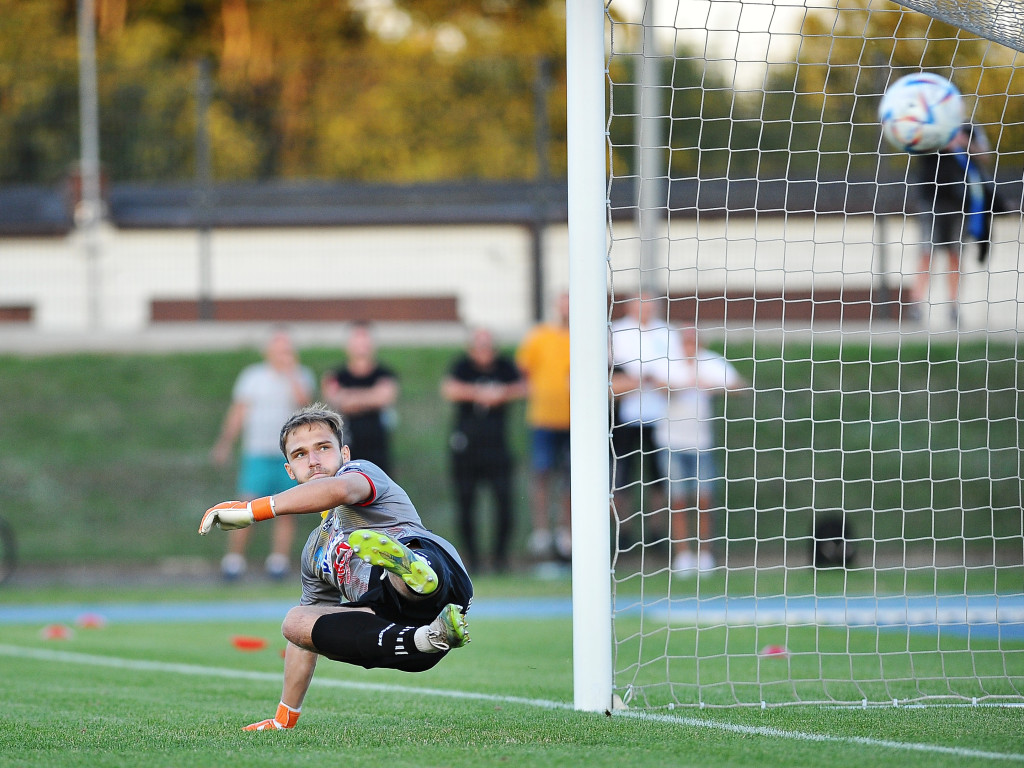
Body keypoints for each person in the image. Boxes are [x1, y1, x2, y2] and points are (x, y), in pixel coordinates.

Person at [198, 404, 473, 731]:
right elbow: (304, 639)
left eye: (323, 448)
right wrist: (285, 718)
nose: (313, 461)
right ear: (290, 472)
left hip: (443, 576)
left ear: (344, 452)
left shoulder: (359, 473)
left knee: (396, 566)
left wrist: (252, 510)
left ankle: (412, 574)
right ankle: (430, 636)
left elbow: (338, 491)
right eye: (300, 455)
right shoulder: (315, 549)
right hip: (403, 637)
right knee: (296, 622)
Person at [211, 328, 315, 580]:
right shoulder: (253, 377)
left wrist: (291, 375)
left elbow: (306, 406)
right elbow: (239, 412)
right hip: (257, 451)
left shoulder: (301, 376)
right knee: (247, 505)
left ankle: (277, 562)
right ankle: (234, 561)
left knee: (287, 509)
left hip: (288, 455)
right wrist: (225, 443)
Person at [651, 327, 744, 578]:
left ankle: (705, 555)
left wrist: (712, 386)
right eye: (686, 340)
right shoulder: (667, 363)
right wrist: (682, 385)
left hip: (701, 443)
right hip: (670, 442)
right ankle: (682, 555)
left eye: (694, 340)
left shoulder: (711, 362)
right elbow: (658, 386)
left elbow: (739, 386)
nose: (690, 345)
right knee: (678, 500)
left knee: (704, 499)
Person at [441, 327, 527, 573]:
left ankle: (500, 558)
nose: (484, 352)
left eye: (488, 346)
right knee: (466, 503)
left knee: (504, 502)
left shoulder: (504, 366)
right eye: (479, 346)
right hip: (466, 448)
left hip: (497, 448)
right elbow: (450, 388)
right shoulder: (462, 367)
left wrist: (502, 394)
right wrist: (481, 393)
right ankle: (474, 560)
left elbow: (523, 386)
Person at [908, 122, 1006, 325]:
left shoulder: (969, 129)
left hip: (960, 203)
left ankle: (953, 307)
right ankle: (916, 306)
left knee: (955, 254)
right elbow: (914, 147)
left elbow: (985, 157)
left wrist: (964, 144)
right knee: (927, 253)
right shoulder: (928, 125)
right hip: (931, 201)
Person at [609, 292, 678, 540]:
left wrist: (659, 382)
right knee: (622, 474)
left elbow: (676, 370)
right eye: (640, 305)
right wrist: (636, 381)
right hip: (625, 415)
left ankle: (657, 531)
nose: (645, 310)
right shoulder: (616, 331)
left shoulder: (667, 332)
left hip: (662, 414)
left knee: (659, 475)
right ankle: (622, 531)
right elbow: (609, 374)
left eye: (649, 305)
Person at [516, 291, 572, 562]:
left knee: (570, 480)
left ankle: (566, 530)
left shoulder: (585, 335)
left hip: (575, 421)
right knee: (542, 473)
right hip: (543, 419)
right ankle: (541, 531)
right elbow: (524, 370)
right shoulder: (539, 336)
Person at [321, 321, 399, 475]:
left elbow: (384, 397)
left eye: (365, 338)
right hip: (346, 450)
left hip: (377, 451)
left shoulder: (385, 374)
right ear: (348, 344)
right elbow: (336, 401)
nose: (362, 344)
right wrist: (371, 396)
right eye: (357, 338)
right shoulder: (335, 375)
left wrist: (349, 396)